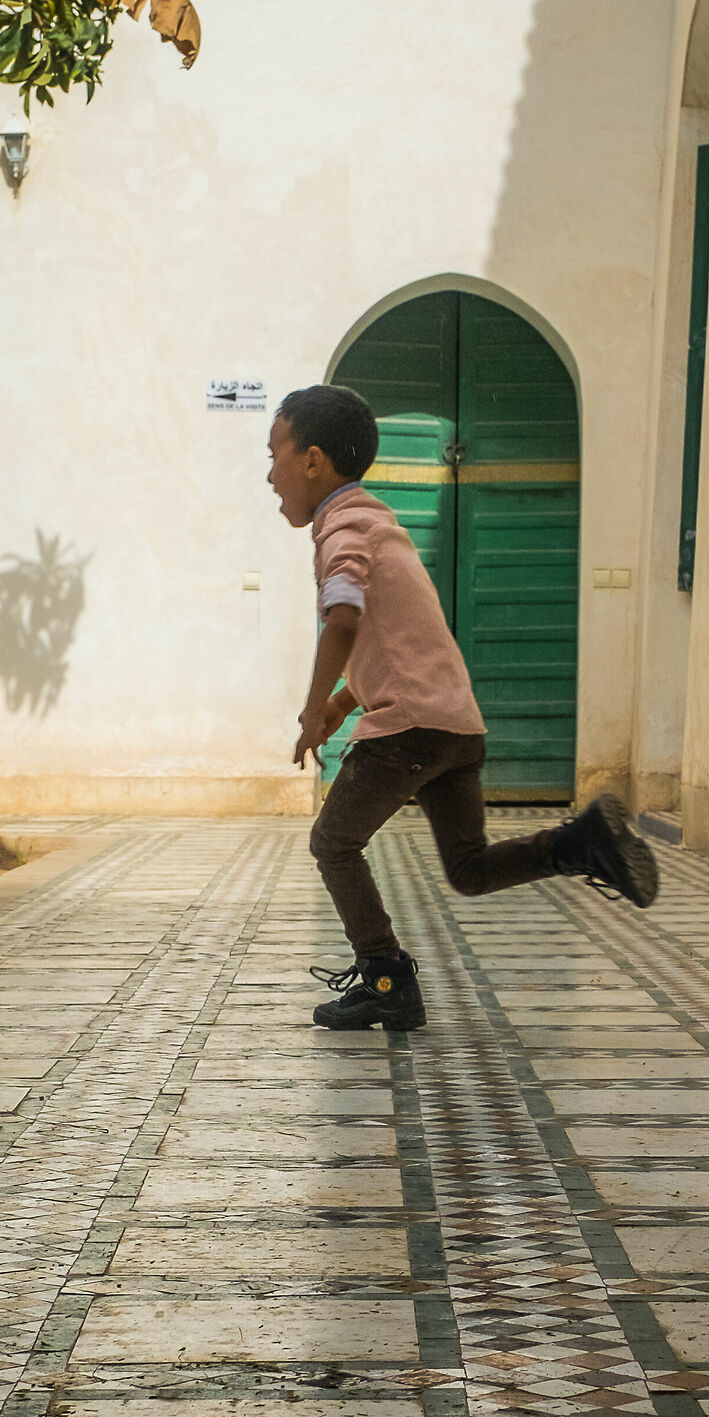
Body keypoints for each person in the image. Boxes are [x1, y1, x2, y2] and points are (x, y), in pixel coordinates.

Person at [268, 382, 658, 1030]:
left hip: (408, 731)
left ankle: (386, 977)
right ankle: (578, 843)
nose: (270, 474)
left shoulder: (341, 529)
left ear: (312, 460)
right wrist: (343, 702)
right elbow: (402, 642)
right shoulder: (381, 524)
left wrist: (312, 711)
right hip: (456, 725)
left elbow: (342, 618)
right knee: (469, 869)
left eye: (274, 453)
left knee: (332, 844)